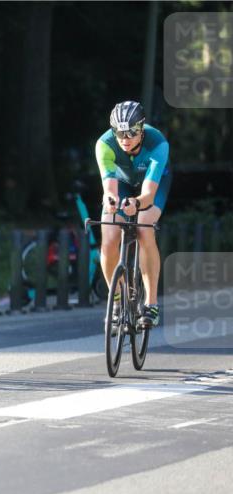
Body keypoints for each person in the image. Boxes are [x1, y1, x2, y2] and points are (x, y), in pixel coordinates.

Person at [95, 100, 170, 329]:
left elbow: (147, 195)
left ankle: (151, 304)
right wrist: (111, 200)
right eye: (119, 132)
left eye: (131, 132)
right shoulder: (104, 144)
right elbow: (109, 187)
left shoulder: (158, 143)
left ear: (142, 128)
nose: (125, 138)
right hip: (122, 184)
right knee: (108, 239)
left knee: (144, 227)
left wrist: (137, 203)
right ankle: (116, 300)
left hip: (152, 184)